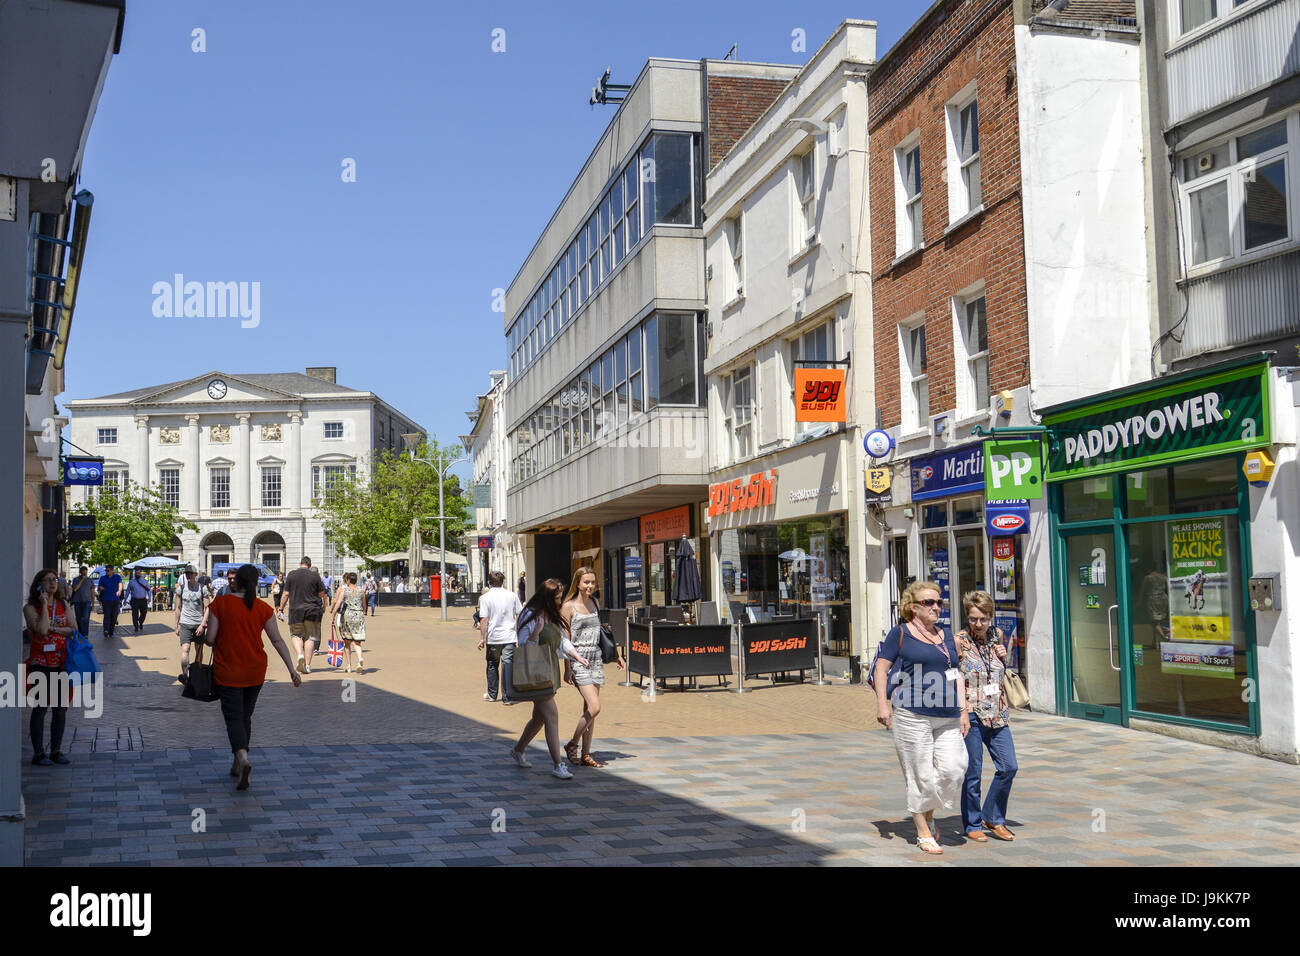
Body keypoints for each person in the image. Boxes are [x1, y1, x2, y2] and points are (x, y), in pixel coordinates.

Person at [873, 579, 969, 855]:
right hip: (911, 713)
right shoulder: (900, 634)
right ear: (913, 607)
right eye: (929, 602)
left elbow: (955, 674)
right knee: (919, 775)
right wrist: (883, 704)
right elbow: (881, 670)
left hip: (948, 713)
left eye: (939, 602)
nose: (936, 607)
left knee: (954, 768)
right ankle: (923, 831)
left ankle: (927, 811)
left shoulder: (947, 635)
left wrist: (963, 709)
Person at [204, 564, 301, 789]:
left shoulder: (221, 604)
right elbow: (276, 640)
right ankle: (238, 763)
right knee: (246, 716)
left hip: (228, 670)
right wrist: (292, 670)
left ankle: (243, 758)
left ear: (236, 582)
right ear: (256, 584)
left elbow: (210, 639)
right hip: (256, 670)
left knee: (233, 718)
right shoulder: (262, 608)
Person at [508, 578, 588, 780]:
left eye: (560, 598)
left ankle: (518, 750)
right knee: (552, 715)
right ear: (546, 598)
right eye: (557, 598)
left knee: (540, 718)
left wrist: (576, 656)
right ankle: (558, 764)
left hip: (548, 671)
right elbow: (524, 646)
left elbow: (562, 640)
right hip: (535, 671)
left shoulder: (552, 614)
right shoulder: (530, 614)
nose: (560, 602)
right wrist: (536, 631)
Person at [956, 591, 1018, 843]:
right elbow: (953, 675)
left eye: (982, 619)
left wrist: (1006, 656)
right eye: (973, 619)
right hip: (971, 713)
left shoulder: (997, 637)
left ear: (990, 617)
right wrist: (961, 708)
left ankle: (992, 817)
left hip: (998, 712)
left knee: (1009, 766)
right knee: (973, 773)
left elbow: (1003, 670)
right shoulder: (959, 641)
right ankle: (972, 823)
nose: (978, 624)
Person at [560, 566, 624, 768]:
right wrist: (567, 668)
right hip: (579, 660)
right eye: (586, 582)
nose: (590, 586)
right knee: (595, 707)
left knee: (590, 708)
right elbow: (565, 640)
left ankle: (586, 754)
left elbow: (601, 633)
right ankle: (572, 744)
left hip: (595, 658)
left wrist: (617, 656)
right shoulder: (568, 607)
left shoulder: (595, 602)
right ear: (577, 583)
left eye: (592, 582)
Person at [22, 569, 75, 765]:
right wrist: (44, 605)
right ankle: (38, 753)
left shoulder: (63, 604)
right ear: (39, 584)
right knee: (41, 708)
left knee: (60, 709)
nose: (53, 583)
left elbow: (73, 629)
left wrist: (54, 628)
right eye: (48, 580)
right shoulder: (30, 608)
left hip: (61, 663)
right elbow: (41, 630)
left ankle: (56, 750)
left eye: (55, 580)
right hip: (40, 664)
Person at [478, 570, 521, 703]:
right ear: (503, 582)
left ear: (489, 582)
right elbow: (519, 614)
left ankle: (492, 694)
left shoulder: (485, 598)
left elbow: (484, 619)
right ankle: (507, 697)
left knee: (492, 664)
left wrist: (482, 638)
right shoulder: (512, 596)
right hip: (509, 636)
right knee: (508, 665)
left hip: (493, 637)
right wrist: (516, 629)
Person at [280, 556, 326, 674]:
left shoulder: (291, 575)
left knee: (296, 635)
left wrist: (280, 609)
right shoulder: (315, 576)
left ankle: (300, 654)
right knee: (310, 637)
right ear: (310, 565)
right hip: (313, 610)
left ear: (300, 563)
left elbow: (285, 594)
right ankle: (308, 665)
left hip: (296, 610)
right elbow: (322, 594)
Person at [174, 564, 212, 682]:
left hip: (198, 624)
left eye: (191, 573)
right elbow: (178, 607)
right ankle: (185, 676)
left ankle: (196, 674)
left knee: (199, 650)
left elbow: (208, 608)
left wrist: (202, 625)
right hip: (185, 623)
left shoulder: (202, 588)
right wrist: (176, 625)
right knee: (185, 649)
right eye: (187, 574)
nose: (188, 576)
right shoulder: (181, 588)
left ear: (196, 575)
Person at [329, 571, 367, 674]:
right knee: (357, 641)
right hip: (358, 616)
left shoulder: (345, 590)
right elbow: (364, 605)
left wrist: (333, 614)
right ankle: (360, 659)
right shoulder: (361, 590)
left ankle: (349, 665)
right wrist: (362, 612)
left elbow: (339, 602)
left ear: (348, 580)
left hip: (347, 616)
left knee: (347, 642)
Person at [97, 564, 123, 639]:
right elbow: (99, 588)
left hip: (115, 600)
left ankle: (111, 631)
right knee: (107, 616)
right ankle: (106, 630)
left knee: (114, 617)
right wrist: (100, 588)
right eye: (106, 570)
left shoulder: (117, 577)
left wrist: (119, 591)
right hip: (106, 600)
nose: (106, 572)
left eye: (108, 570)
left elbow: (120, 584)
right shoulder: (102, 578)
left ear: (112, 571)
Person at [69, 565, 94, 637]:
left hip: (87, 602)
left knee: (85, 618)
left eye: (86, 573)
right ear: (80, 572)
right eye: (83, 573)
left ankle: (85, 634)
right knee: (79, 618)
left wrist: (92, 603)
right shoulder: (75, 580)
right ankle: (80, 632)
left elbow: (92, 592)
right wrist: (82, 580)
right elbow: (75, 589)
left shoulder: (90, 580)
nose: (85, 575)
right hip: (77, 601)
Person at [125, 569, 152, 633]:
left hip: (143, 600)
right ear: (135, 574)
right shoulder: (131, 582)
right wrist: (125, 600)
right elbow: (128, 591)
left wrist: (149, 597)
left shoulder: (144, 581)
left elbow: (149, 590)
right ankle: (136, 626)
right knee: (135, 614)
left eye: (139, 573)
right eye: (136, 573)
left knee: (144, 613)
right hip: (134, 600)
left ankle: (140, 621)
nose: (137, 574)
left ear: (141, 574)